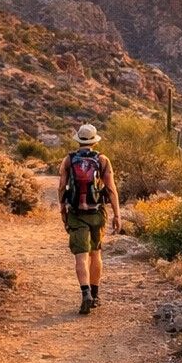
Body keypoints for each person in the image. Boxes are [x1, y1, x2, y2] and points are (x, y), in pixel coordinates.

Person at [59, 123, 121, 315]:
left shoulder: (68, 160)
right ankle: (95, 295)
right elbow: (111, 189)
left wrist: (62, 209)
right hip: (96, 214)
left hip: (76, 213)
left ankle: (85, 293)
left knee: (81, 256)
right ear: (94, 140)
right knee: (96, 253)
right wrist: (117, 214)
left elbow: (62, 187)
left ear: (78, 140)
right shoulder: (102, 160)